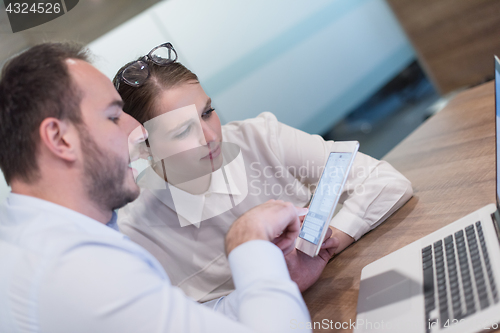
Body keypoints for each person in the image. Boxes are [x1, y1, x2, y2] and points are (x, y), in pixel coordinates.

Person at [0, 42, 313, 332]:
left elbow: (180, 319)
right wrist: (250, 243)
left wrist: (274, 278)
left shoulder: (35, 243)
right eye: (112, 117)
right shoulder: (79, 273)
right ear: (59, 139)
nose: (138, 130)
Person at [113, 42, 414, 303]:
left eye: (207, 113)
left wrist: (330, 242)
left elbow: (386, 182)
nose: (210, 136)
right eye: (182, 131)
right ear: (144, 147)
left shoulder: (257, 138)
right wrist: (272, 284)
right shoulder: (137, 231)